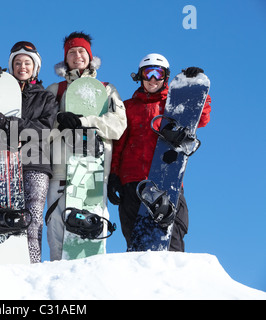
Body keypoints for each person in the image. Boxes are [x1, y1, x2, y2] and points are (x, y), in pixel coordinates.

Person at [108, 53, 211, 252]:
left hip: (166, 179)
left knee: (172, 233)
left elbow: (201, 118)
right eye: (148, 73)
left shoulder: (173, 105)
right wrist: (113, 176)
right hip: (132, 182)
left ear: (166, 77)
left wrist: (194, 89)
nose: (153, 79)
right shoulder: (128, 107)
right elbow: (118, 144)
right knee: (135, 237)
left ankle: (172, 279)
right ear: (140, 77)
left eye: (158, 73)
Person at [45, 31, 127, 261]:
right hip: (60, 171)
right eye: (72, 52)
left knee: (91, 232)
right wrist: (60, 123)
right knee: (57, 235)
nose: (77, 56)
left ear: (90, 56)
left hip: (94, 171)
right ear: (65, 58)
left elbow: (118, 126)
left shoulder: (107, 89)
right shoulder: (55, 90)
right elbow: (42, 131)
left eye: (82, 51)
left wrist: (84, 121)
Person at [0, 41, 57, 263]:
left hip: (36, 161)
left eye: (27, 62)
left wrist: (13, 123)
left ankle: (32, 267)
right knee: (6, 217)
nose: (22, 67)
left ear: (35, 67)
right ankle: (4, 264)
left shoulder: (46, 97)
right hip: (4, 161)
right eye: (17, 63)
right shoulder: (1, 93)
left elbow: (47, 128)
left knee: (32, 219)